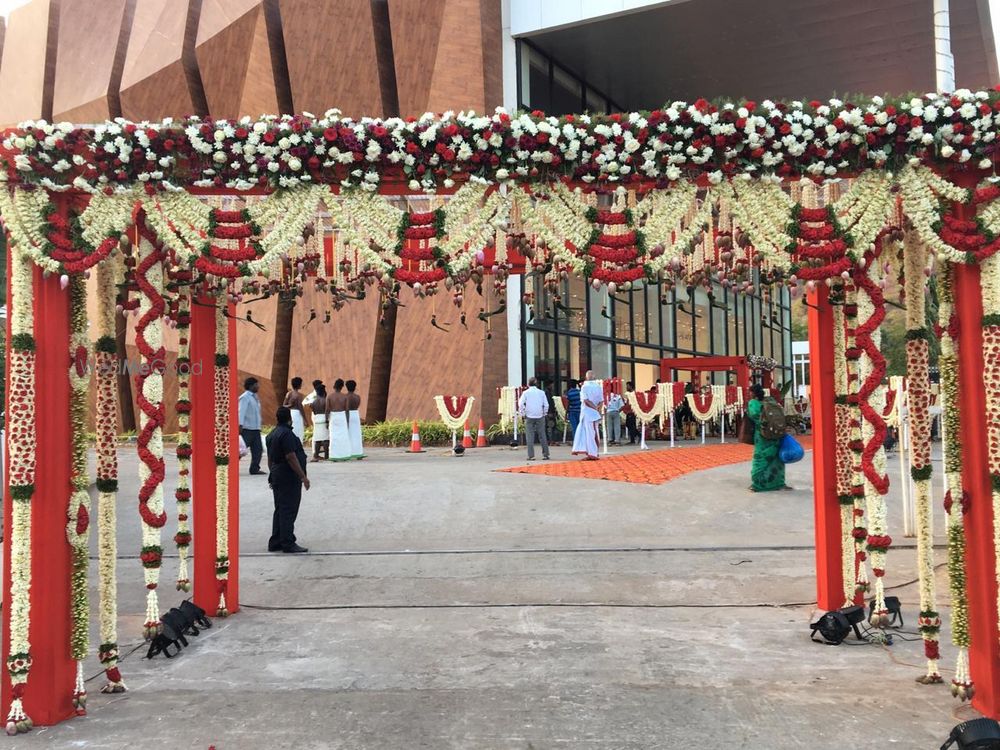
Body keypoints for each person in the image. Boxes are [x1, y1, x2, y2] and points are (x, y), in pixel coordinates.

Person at [265, 406, 310, 553]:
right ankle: (288, 542)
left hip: (278, 474)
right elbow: (291, 457)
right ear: (289, 418)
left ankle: (276, 541)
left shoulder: (271, 434)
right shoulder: (287, 435)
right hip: (288, 476)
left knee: (280, 509)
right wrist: (303, 477)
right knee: (288, 509)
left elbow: (270, 459)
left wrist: (272, 474)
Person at [747, 383, 789, 492]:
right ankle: (778, 482)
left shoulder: (753, 403)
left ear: (753, 393)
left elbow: (754, 417)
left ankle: (758, 484)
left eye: (750, 392)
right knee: (776, 458)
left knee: (761, 457)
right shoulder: (770, 401)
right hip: (776, 434)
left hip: (762, 435)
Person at [571, 370, 604, 460]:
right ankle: (591, 453)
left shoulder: (585, 387)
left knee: (590, 433)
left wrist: (595, 408)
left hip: (588, 413)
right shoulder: (598, 386)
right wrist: (598, 409)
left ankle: (592, 454)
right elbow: (601, 400)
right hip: (594, 413)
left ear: (586, 377)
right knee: (591, 432)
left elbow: (586, 400)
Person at [518, 377, 550, 460]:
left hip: (529, 416)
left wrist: (523, 413)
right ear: (537, 384)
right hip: (540, 415)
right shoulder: (541, 393)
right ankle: (546, 454)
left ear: (528, 384)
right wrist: (544, 413)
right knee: (542, 435)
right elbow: (546, 405)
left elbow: (520, 404)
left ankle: (531, 455)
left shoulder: (525, 393)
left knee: (529, 436)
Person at [238, 377, 264, 475]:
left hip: (256, 429)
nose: (258, 386)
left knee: (258, 450)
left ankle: (254, 469)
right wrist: (239, 426)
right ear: (251, 386)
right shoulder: (245, 397)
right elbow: (241, 412)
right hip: (247, 429)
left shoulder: (255, 397)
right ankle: (230, 467)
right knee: (240, 450)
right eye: (256, 384)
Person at [327, 378, 351, 461]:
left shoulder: (329, 396)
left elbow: (327, 409)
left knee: (333, 436)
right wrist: (347, 421)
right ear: (342, 387)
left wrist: (327, 420)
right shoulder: (345, 397)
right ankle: (344, 455)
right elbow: (347, 409)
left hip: (333, 416)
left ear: (334, 386)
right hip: (342, 416)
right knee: (343, 436)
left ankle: (334, 455)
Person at [307, 382, 329, 461]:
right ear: (323, 392)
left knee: (317, 439)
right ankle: (326, 456)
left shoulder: (313, 402)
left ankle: (316, 455)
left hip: (317, 420)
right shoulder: (325, 401)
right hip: (324, 420)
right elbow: (327, 412)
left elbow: (314, 411)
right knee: (326, 439)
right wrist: (327, 421)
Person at [345, 379, 365, 460]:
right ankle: (358, 452)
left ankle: (349, 452)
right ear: (355, 387)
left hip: (348, 414)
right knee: (356, 435)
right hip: (355, 414)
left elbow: (346, 408)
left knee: (348, 434)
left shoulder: (345, 397)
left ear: (346, 387)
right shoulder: (357, 397)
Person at [284, 376, 306, 442]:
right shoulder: (299, 395)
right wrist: (305, 419)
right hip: (297, 415)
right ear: (299, 385)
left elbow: (283, 405)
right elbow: (300, 408)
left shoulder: (288, 393)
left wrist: (290, 405)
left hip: (289, 413)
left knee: (291, 430)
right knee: (298, 431)